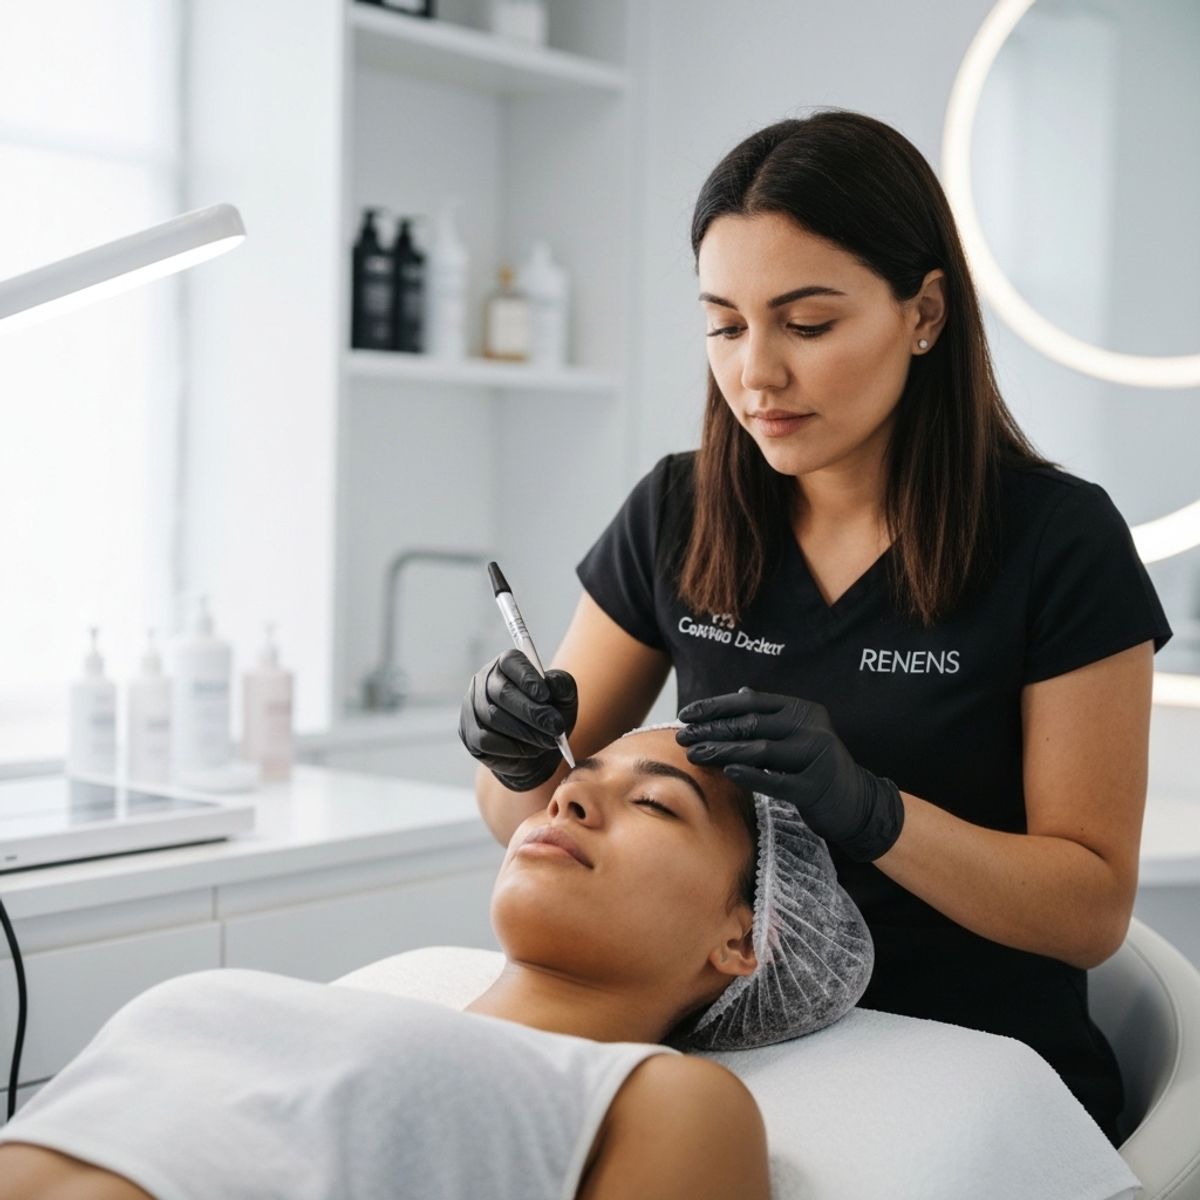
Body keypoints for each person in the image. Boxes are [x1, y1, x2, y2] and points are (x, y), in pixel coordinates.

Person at [460, 108, 1174, 1147]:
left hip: (971, 1066)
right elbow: (520, 806)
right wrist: (513, 746)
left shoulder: (1056, 543)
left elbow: (1089, 912)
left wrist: (874, 813)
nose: (757, 375)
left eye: (807, 325)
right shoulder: (680, 513)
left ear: (924, 313)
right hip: (739, 1046)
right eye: (724, 324)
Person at [0, 723, 873, 1200]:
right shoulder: (364, 1005)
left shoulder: (660, 1098)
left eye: (652, 801)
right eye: (579, 773)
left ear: (745, 937)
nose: (566, 793)